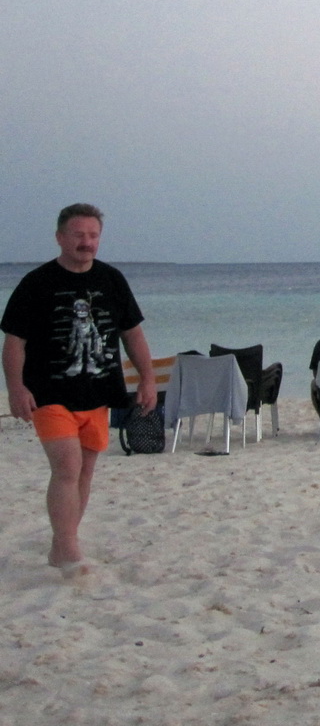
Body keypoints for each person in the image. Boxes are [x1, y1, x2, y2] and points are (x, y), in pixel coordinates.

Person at [2, 204, 156, 576]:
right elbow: (14, 342)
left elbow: (132, 334)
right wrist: (16, 388)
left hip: (98, 393)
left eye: (93, 235)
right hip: (49, 393)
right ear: (60, 237)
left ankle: (61, 545)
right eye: (78, 235)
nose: (86, 242)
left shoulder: (111, 280)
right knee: (67, 467)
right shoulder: (37, 283)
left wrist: (148, 378)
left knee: (84, 471)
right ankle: (70, 549)